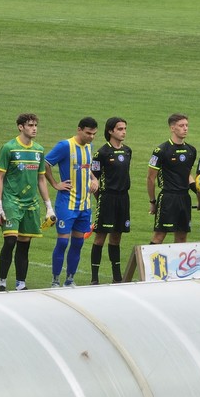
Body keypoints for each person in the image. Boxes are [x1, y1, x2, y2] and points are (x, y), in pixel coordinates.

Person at [0, 113, 55, 291]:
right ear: (20, 127)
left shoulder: (38, 150)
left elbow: (41, 179)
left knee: (24, 243)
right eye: (30, 125)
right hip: (11, 201)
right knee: (10, 241)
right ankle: (2, 281)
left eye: (35, 125)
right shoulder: (9, 148)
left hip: (31, 203)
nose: (34, 128)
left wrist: (49, 207)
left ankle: (21, 283)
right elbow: (0, 177)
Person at [45, 116, 99, 287]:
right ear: (79, 129)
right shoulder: (65, 146)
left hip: (84, 204)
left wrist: (94, 179)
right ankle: (55, 281)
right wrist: (55, 184)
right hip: (67, 203)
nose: (91, 137)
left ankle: (70, 280)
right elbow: (45, 164)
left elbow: (86, 167)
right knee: (62, 242)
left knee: (78, 242)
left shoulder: (89, 147)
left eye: (94, 134)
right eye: (88, 133)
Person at [90, 117, 132, 285]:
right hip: (107, 198)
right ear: (110, 131)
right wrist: (101, 199)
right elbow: (93, 178)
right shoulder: (102, 153)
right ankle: (94, 277)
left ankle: (117, 276)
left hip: (124, 198)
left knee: (116, 238)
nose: (123, 132)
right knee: (100, 237)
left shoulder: (128, 151)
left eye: (124, 129)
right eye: (120, 129)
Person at [147, 113, 197, 244]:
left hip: (184, 198)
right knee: (159, 235)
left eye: (186, 125)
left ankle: (177, 265)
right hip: (168, 198)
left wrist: (197, 190)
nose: (185, 128)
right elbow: (150, 178)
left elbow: (187, 174)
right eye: (181, 126)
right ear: (172, 128)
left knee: (182, 237)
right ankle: (150, 264)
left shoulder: (191, 150)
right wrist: (152, 201)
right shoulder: (161, 150)